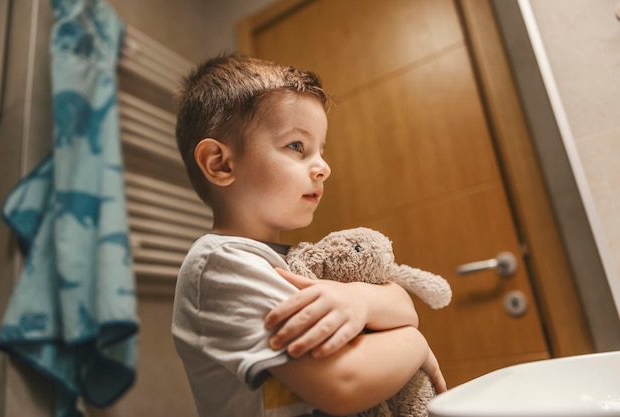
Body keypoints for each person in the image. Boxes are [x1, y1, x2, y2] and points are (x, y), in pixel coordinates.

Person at [171, 53, 446, 417]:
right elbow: (343, 385)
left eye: (321, 150)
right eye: (297, 146)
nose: (323, 168)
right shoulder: (221, 264)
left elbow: (404, 306)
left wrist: (360, 300)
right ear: (220, 164)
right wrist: (415, 343)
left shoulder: (292, 258)